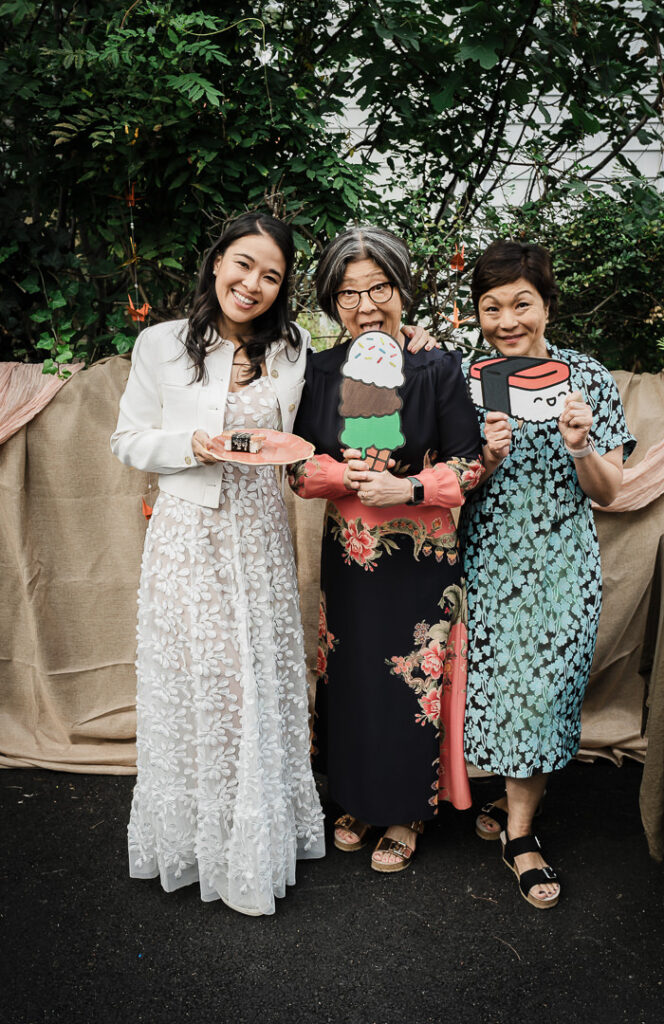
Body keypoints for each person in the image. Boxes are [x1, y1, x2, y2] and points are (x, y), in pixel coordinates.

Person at [110, 212, 326, 916]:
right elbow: (129, 440)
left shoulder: (292, 349)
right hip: (189, 534)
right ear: (216, 264)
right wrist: (192, 445)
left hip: (262, 534)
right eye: (242, 265)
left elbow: (308, 429)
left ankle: (258, 840)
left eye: (271, 275)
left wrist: (406, 342)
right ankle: (198, 843)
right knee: (200, 686)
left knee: (254, 683)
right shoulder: (161, 343)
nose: (252, 283)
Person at [289, 226, 483, 872]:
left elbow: (470, 467)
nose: (366, 306)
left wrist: (407, 485)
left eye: (379, 288)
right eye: (348, 294)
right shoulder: (320, 371)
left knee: (409, 682)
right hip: (347, 558)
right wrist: (337, 476)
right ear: (330, 302)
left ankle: (405, 810)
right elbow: (295, 465)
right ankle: (355, 796)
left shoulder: (436, 367)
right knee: (348, 677)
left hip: (419, 562)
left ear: (401, 288)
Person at [460, 240, 635, 909]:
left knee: (541, 690)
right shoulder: (465, 377)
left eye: (520, 304)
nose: (506, 319)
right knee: (492, 688)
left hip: (560, 562)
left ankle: (519, 836)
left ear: (546, 305)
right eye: (491, 306)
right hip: (481, 557)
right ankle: (505, 801)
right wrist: (485, 459)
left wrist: (580, 445)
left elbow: (609, 492)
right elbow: (450, 486)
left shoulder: (586, 377)